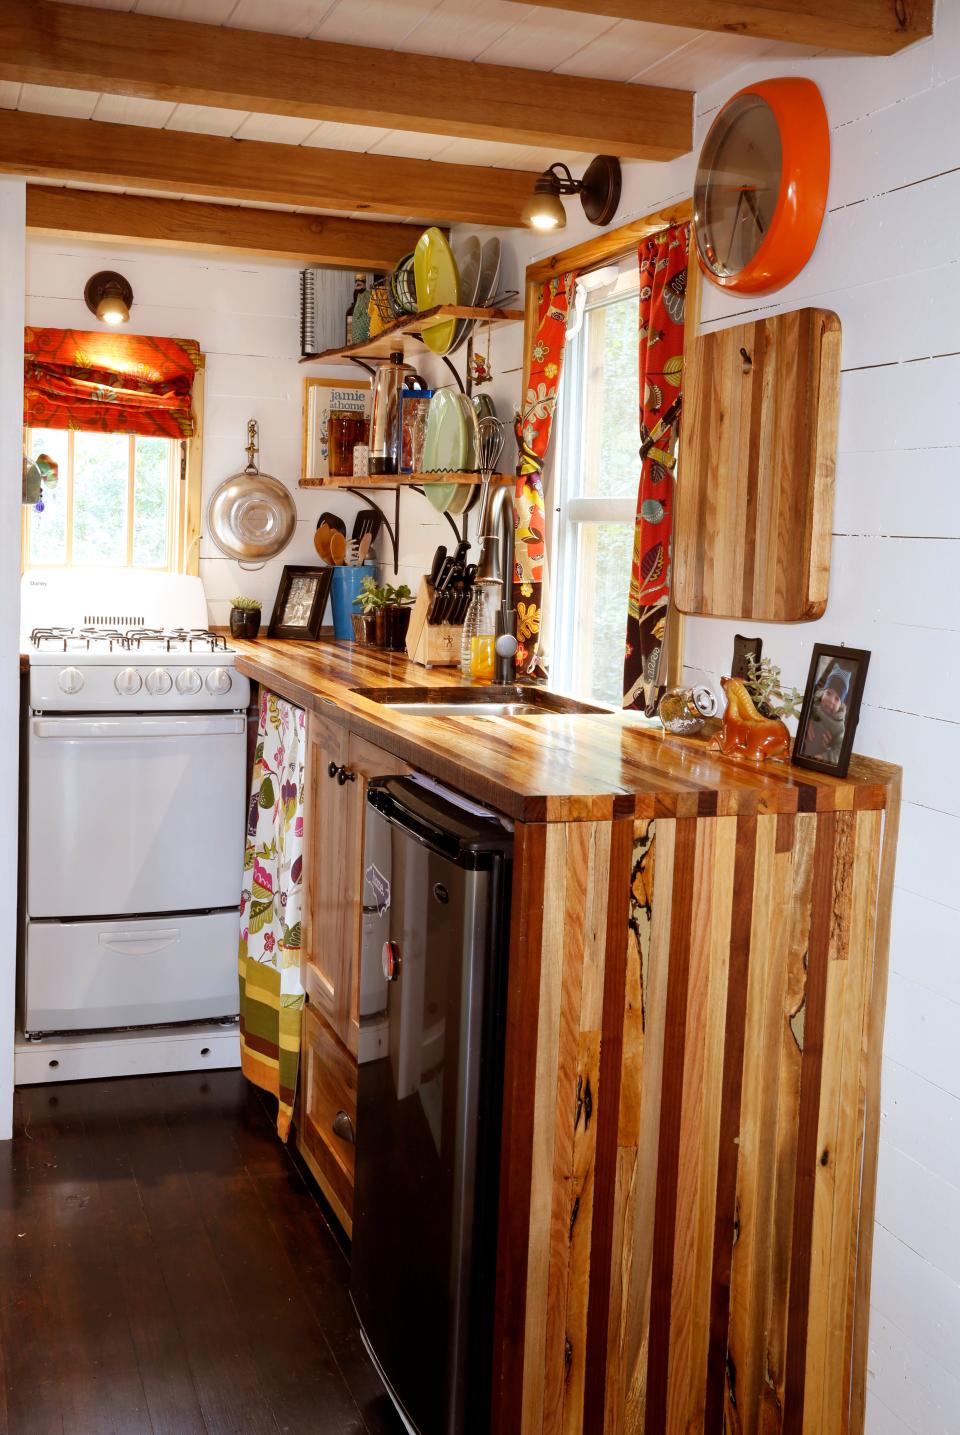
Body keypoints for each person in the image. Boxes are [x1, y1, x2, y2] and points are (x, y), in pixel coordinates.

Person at [804, 664, 850, 764]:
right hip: (803, 748)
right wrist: (807, 719)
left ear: (841, 704)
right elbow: (801, 711)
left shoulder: (839, 726)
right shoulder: (813, 704)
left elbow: (840, 751)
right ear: (823, 692)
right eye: (828, 693)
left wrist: (825, 757)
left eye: (837, 699)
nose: (830, 701)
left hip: (818, 756)